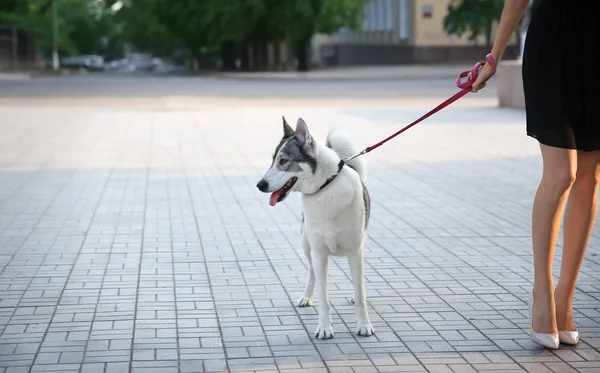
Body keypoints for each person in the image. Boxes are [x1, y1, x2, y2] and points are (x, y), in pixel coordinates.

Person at [472, 0, 599, 349]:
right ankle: (542, 294)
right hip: (553, 47)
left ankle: (565, 299)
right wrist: (494, 58)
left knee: (590, 177)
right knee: (562, 175)